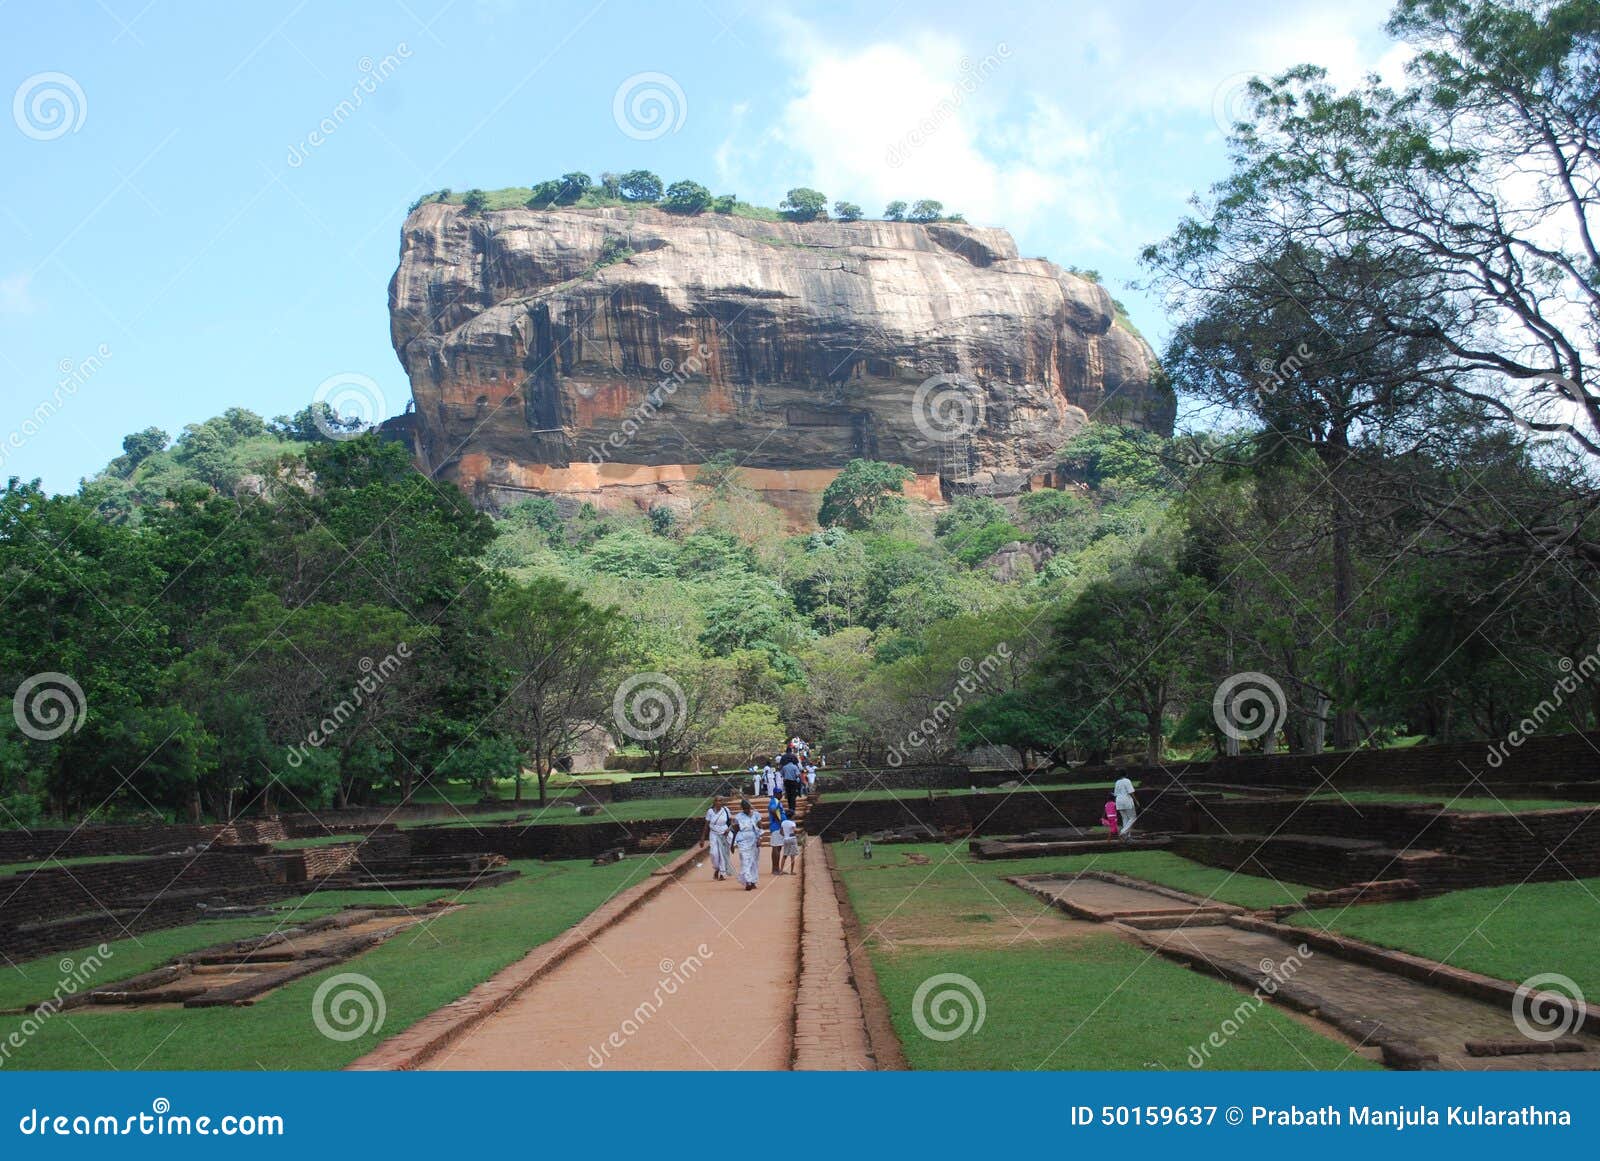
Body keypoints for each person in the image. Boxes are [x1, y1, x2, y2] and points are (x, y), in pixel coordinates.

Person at [732, 797, 762, 890]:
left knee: (753, 861)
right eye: (744, 808)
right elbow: (735, 831)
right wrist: (732, 844)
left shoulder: (756, 815)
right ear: (742, 807)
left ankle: (753, 881)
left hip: (754, 839)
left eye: (748, 807)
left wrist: (759, 838)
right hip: (742, 840)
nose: (747, 809)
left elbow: (759, 828)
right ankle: (748, 881)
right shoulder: (738, 817)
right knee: (745, 859)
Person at [702, 795, 732, 881]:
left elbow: (731, 822)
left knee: (723, 854)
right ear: (714, 802)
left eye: (721, 801)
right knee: (714, 853)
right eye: (718, 801)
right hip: (713, 834)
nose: (720, 802)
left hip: (724, 833)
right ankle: (717, 868)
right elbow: (706, 825)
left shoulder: (726, 810)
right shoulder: (710, 811)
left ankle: (722, 874)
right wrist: (702, 838)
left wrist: (728, 829)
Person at [767, 788, 787, 874]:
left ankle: (776, 868)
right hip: (776, 827)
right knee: (776, 847)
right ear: (775, 794)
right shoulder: (774, 801)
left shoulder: (777, 801)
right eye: (780, 793)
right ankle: (775, 869)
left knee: (778, 847)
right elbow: (773, 810)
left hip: (778, 826)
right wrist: (779, 821)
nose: (781, 795)